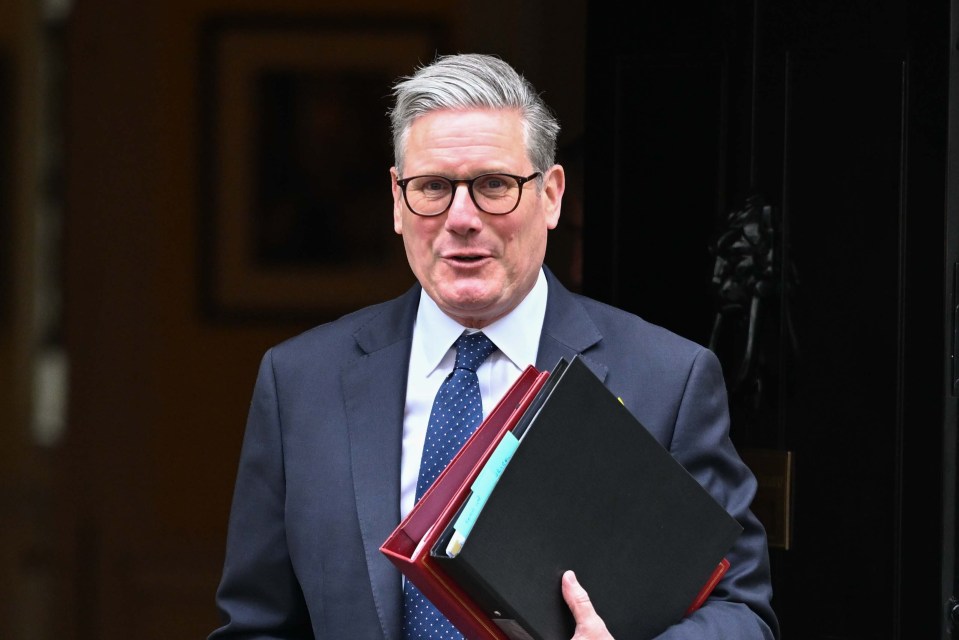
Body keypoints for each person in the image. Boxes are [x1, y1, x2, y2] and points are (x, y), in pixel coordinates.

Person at [209, 52, 779, 640]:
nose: (461, 217)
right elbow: (257, 624)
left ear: (552, 196)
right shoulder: (301, 382)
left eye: (494, 185)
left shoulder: (666, 379)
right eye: (431, 187)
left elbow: (742, 612)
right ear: (397, 202)